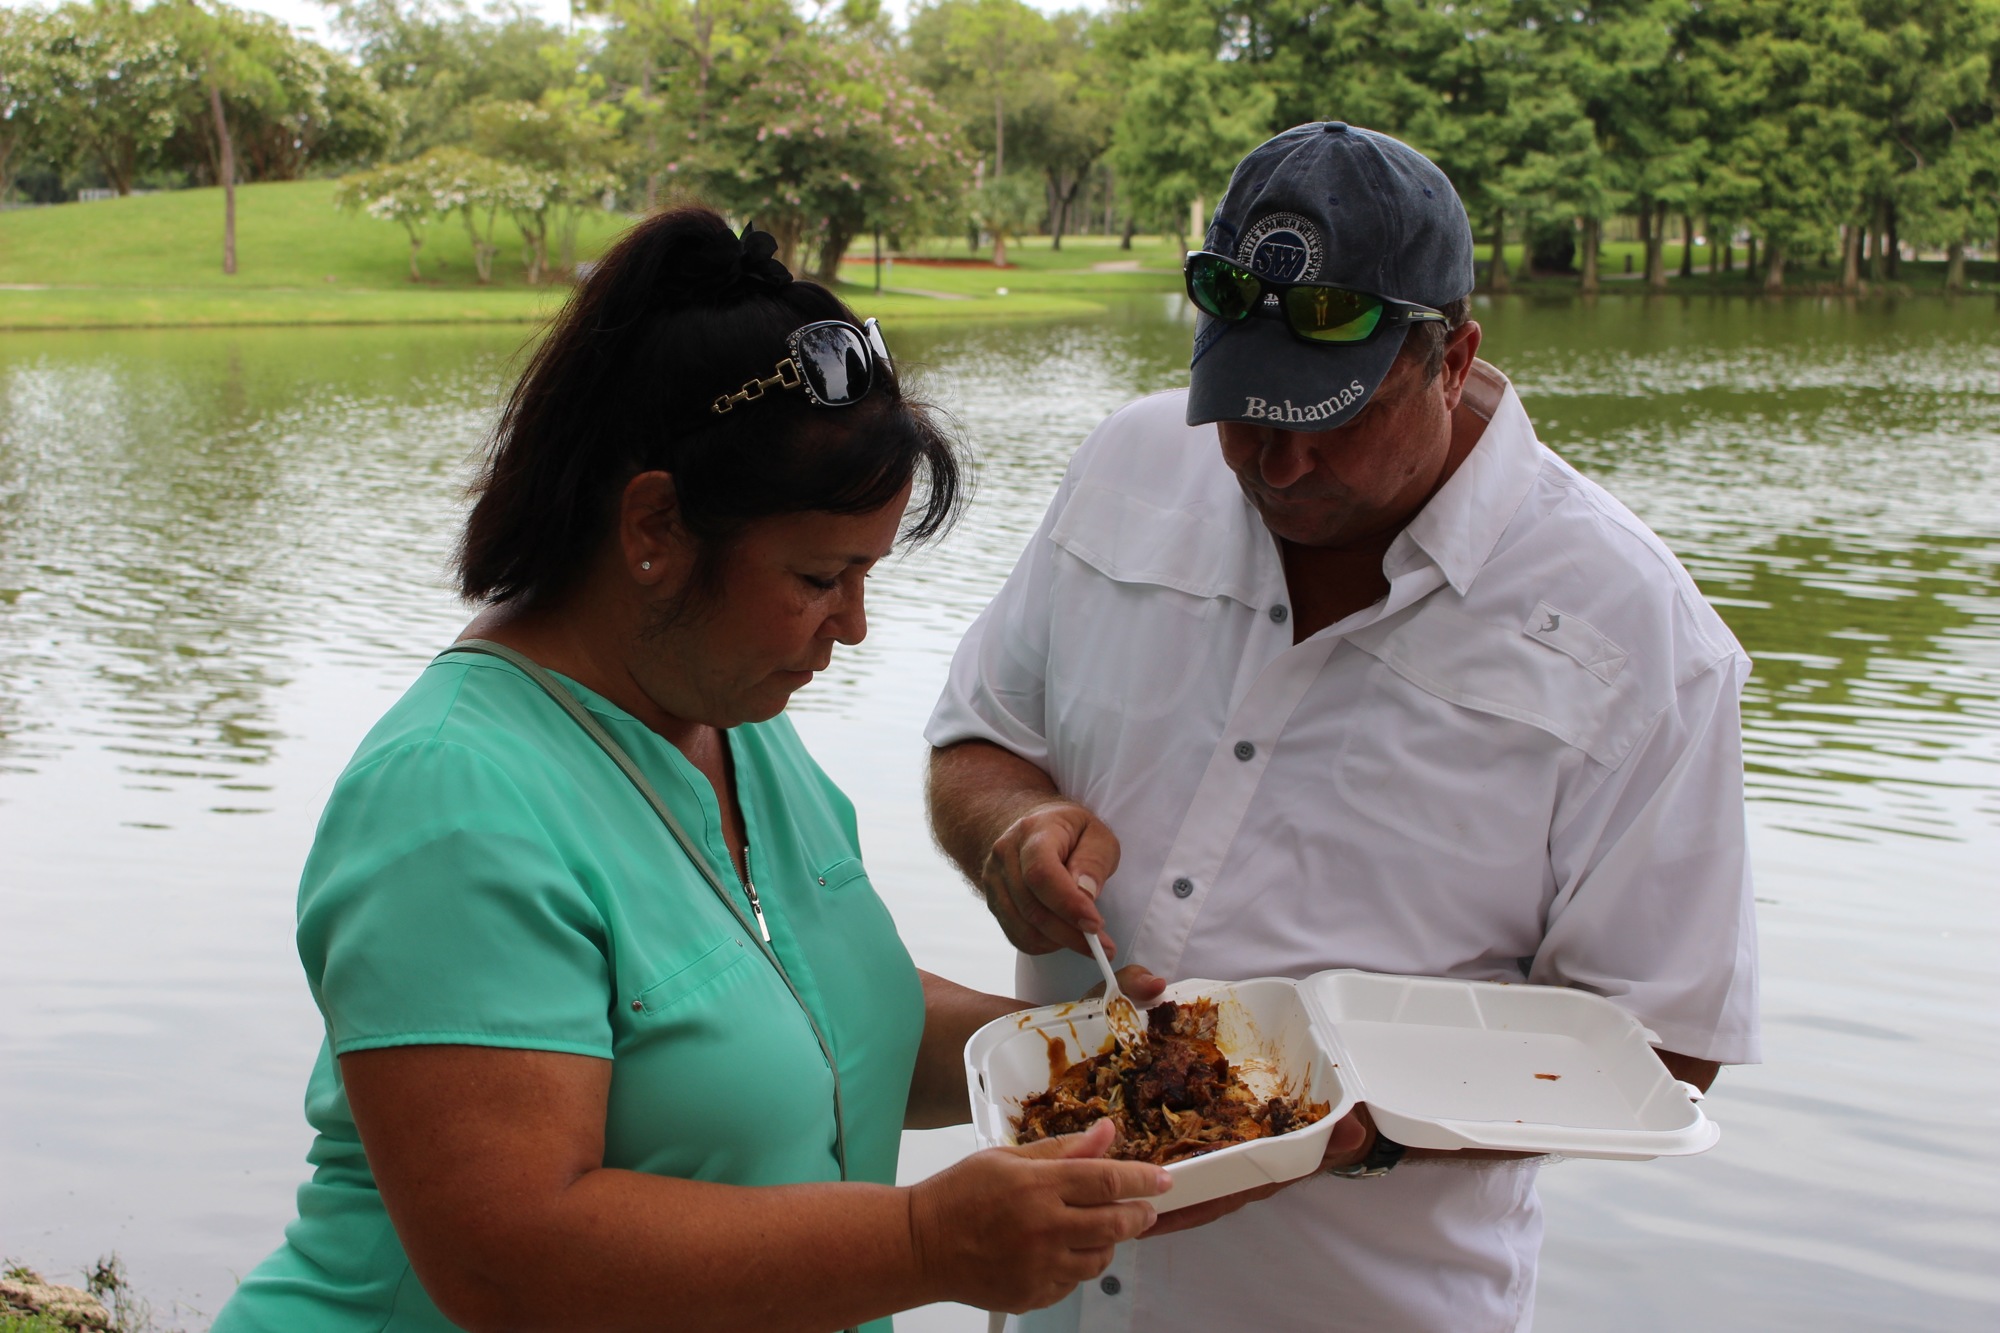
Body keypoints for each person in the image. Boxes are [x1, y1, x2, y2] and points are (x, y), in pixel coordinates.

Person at [212, 207, 1183, 1333]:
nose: (853, 626)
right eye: (821, 577)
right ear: (654, 526)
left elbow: (822, 1019)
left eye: (865, 574)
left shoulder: (734, 720)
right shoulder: (452, 799)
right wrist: (925, 1241)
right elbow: (508, 1258)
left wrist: (1081, 1053)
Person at [926, 123, 1761, 1332]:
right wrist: (1011, 828)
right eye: (1244, 409)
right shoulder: (1125, 465)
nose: (1280, 458)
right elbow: (974, 743)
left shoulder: (1635, 638)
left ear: (1453, 354)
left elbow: (1661, 1052)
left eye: (1332, 413)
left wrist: (1324, 1137)